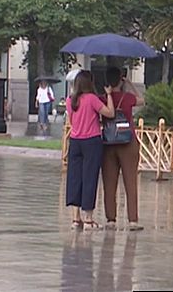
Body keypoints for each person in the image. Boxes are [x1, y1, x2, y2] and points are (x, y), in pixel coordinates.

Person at [65, 70, 114, 231]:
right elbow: (110, 113)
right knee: (89, 178)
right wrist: (109, 95)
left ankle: (75, 218)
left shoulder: (70, 101)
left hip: (75, 141)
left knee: (74, 178)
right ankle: (88, 219)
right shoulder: (92, 99)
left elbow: (71, 120)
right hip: (91, 141)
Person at [101, 67, 145, 231]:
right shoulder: (127, 98)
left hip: (108, 144)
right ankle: (132, 220)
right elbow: (142, 100)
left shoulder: (103, 98)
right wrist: (130, 84)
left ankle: (110, 219)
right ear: (121, 80)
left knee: (109, 183)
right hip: (128, 142)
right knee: (130, 181)